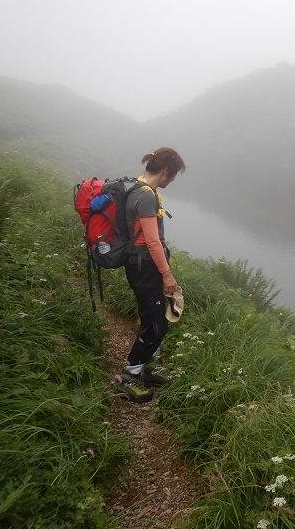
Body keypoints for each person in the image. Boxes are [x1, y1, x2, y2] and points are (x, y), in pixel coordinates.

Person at [115, 147, 186, 402]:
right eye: (174, 175)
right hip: (145, 266)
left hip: (141, 265)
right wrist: (167, 275)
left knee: (154, 318)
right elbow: (152, 242)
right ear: (166, 171)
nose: (173, 180)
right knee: (156, 323)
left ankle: (148, 369)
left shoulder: (139, 187)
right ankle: (130, 375)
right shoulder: (145, 197)